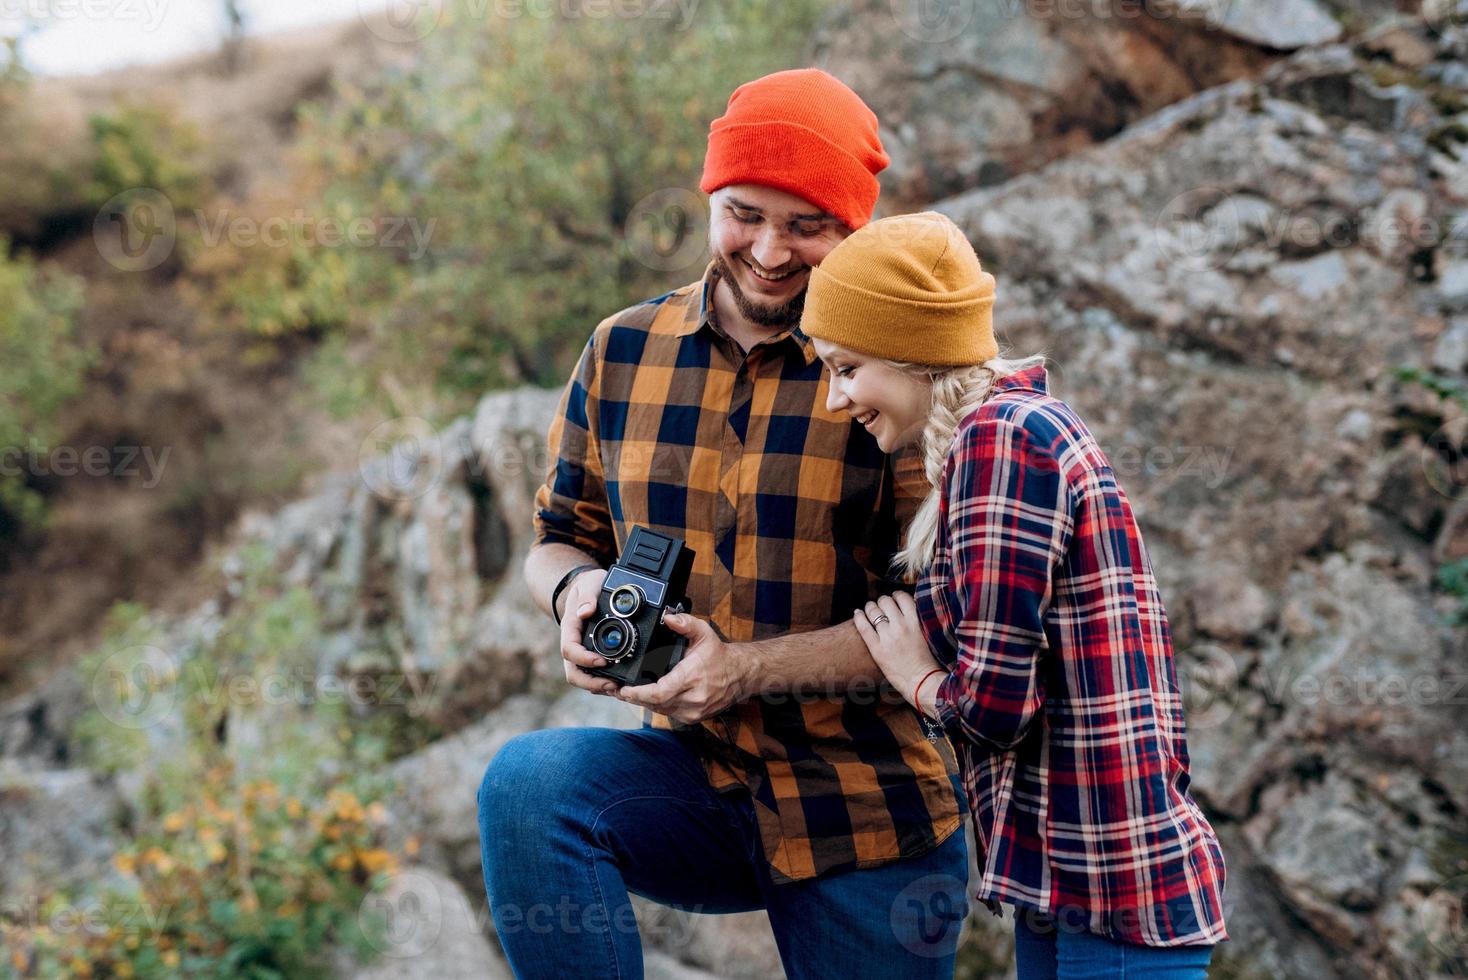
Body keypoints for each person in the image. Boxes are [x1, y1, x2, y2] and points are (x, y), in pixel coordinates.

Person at [477, 71, 970, 979]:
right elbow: (554, 539)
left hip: (869, 808)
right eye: (746, 213)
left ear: (852, 227)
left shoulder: (902, 368)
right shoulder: (621, 349)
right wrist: (575, 593)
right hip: (693, 784)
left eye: (808, 226)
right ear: (710, 196)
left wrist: (745, 670)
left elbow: (947, 614)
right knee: (527, 786)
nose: (772, 251)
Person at [800, 211, 1229, 979]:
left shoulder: (1002, 442)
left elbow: (998, 707)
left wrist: (915, 675)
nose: (837, 399)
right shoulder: (1018, 429)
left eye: (847, 367)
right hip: (1068, 884)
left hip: (1112, 899)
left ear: (913, 350)